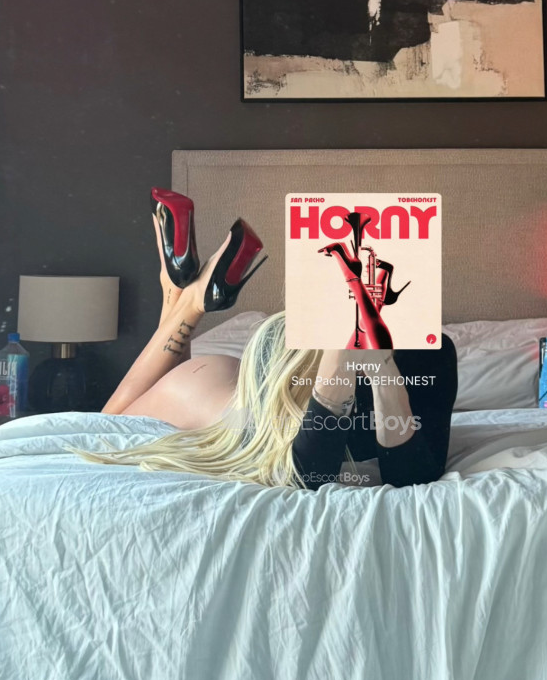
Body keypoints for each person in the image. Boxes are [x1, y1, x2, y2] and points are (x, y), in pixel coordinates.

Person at [68, 199, 457, 490]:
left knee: (117, 416)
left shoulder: (433, 353)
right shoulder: (291, 335)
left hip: (218, 382)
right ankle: (185, 302)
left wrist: (382, 367)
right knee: (111, 422)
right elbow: (306, 474)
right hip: (227, 395)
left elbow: (412, 476)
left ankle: (181, 297)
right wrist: (340, 355)